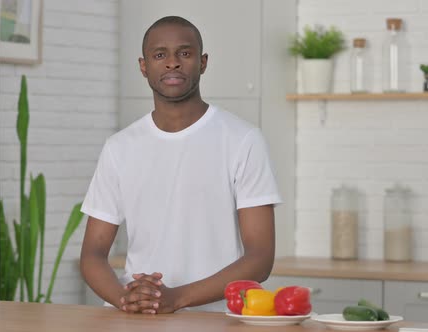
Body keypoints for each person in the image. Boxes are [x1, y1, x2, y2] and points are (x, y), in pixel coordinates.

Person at [79, 15, 281, 314]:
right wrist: (126, 299)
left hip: (215, 320)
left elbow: (261, 258)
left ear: (203, 62)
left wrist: (177, 299)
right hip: (138, 319)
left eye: (184, 53)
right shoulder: (119, 147)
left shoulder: (243, 140)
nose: (172, 63)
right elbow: (92, 254)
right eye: (160, 55)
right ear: (143, 66)